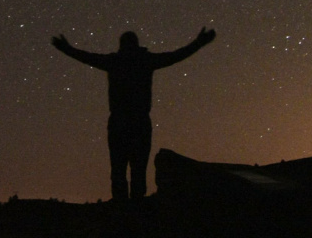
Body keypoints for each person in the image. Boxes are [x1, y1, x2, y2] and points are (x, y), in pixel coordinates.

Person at [51, 27, 216, 201]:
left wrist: (66, 48)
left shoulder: (115, 61)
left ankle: (122, 208)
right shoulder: (145, 60)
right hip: (139, 121)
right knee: (137, 168)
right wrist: (198, 43)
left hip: (120, 121)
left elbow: (87, 57)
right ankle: (136, 209)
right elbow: (175, 56)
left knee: (119, 168)